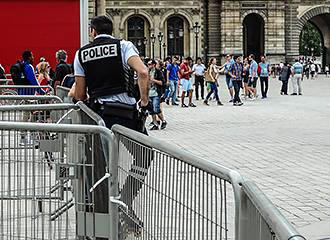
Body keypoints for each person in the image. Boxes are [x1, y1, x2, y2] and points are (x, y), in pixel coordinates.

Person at [73, 15, 149, 237]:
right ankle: (124, 201)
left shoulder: (81, 53)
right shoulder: (123, 45)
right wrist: (143, 102)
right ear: (111, 30)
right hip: (125, 115)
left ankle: (105, 218)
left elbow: (79, 94)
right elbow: (143, 72)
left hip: (99, 118)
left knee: (100, 167)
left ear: (93, 32)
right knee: (144, 156)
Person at [148, 60, 167, 130]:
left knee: (156, 109)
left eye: (150, 64)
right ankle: (155, 124)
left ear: (153, 65)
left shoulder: (158, 72)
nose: (148, 66)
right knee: (151, 110)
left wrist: (153, 80)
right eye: (148, 64)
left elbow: (162, 83)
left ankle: (163, 121)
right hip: (148, 93)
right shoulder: (147, 72)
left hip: (156, 93)